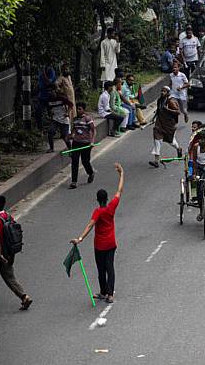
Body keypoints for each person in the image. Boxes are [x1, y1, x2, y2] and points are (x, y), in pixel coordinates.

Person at [70, 163, 125, 303]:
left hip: (100, 245)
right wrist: (121, 173)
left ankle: (103, 292)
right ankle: (110, 294)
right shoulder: (111, 207)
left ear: (97, 199)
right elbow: (119, 191)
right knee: (110, 268)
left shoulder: (98, 212)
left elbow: (90, 225)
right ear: (106, 199)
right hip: (111, 243)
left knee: (101, 269)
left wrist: (80, 238)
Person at [149, 86, 182, 168]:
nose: (162, 92)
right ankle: (156, 161)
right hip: (159, 124)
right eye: (162, 91)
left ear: (168, 93)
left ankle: (178, 148)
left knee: (171, 142)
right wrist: (153, 119)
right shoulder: (159, 100)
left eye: (164, 91)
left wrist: (167, 109)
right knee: (157, 140)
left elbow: (178, 112)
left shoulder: (171, 101)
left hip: (169, 125)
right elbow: (158, 110)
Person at [68, 102, 96, 189]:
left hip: (86, 143)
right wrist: (71, 135)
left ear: (83, 109)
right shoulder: (75, 119)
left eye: (80, 109)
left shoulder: (87, 119)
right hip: (76, 143)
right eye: (77, 108)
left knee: (85, 161)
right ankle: (74, 181)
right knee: (74, 161)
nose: (78, 110)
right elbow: (74, 129)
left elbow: (93, 130)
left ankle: (91, 173)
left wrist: (92, 142)